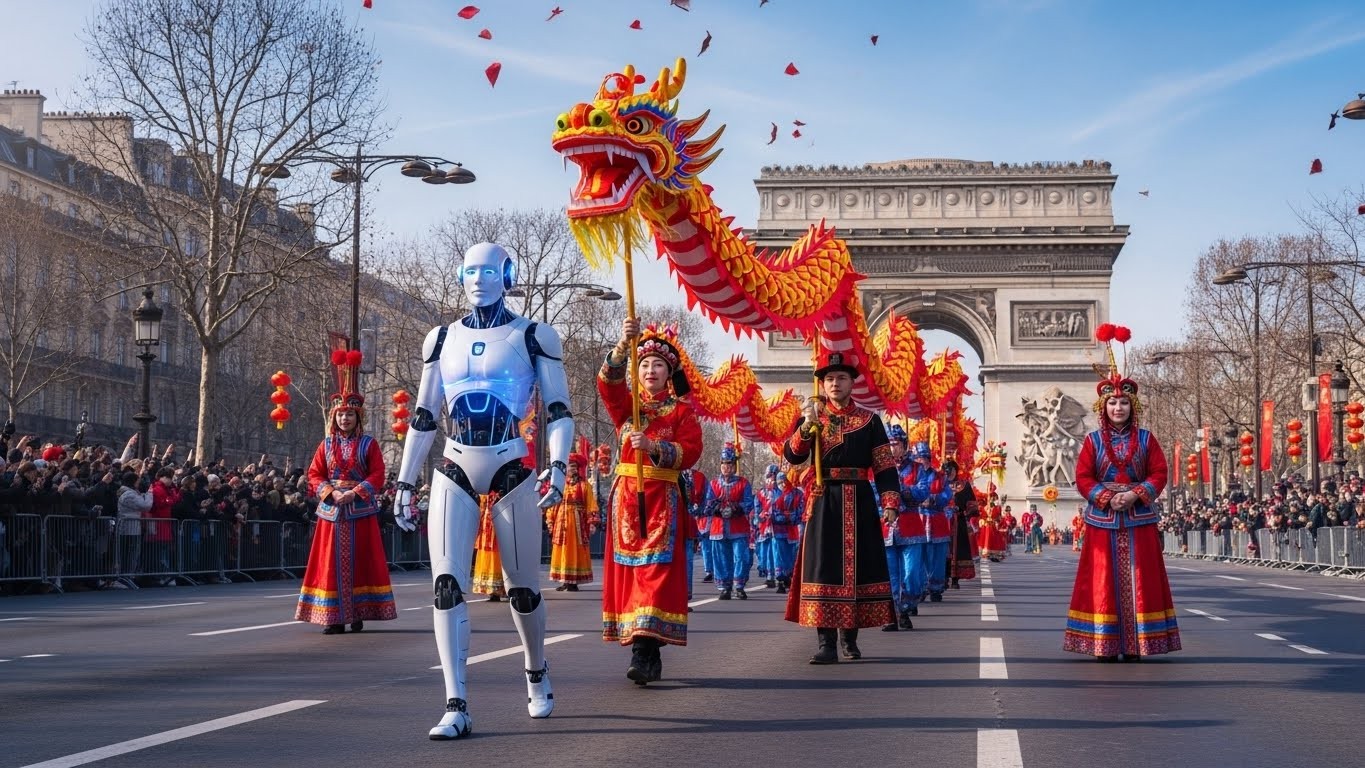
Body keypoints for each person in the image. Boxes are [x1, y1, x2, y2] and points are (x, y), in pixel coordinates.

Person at [392, 242, 574, 737]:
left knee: (522, 589)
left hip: (510, 460)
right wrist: (405, 480)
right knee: (445, 584)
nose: (478, 280)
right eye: (470, 271)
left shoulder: (533, 335)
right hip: (454, 460)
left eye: (489, 271)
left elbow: (558, 409)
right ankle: (456, 704)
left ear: (506, 276)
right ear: (460, 275)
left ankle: (535, 671)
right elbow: (424, 415)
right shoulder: (440, 339)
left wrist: (558, 466)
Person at [1063, 324, 1179, 661]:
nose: (1118, 408)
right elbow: (1083, 476)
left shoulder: (1146, 439)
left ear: (1133, 406)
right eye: (1112, 402)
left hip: (1138, 518)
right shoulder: (1092, 442)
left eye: (1123, 402)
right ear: (1104, 407)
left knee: (1141, 579)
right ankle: (1104, 643)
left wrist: (1136, 493)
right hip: (1103, 520)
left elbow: (1160, 472)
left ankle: (1139, 643)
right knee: (1102, 580)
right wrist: (1106, 496)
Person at [598, 318, 704, 685]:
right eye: (644, 364)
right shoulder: (628, 407)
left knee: (654, 574)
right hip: (627, 499)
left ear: (669, 373)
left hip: (663, 502)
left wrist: (655, 446)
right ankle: (646, 650)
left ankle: (643, 651)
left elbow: (691, 451)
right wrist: (621, 345)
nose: (650, 370)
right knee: (632, 575)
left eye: (658, 364)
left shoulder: (681, 412)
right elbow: (607, 386)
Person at [783, 351, 899, 664]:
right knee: (823, 567)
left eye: (842, 378)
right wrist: (805, 428)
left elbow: (884, 465)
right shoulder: (812, 418)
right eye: (830, 379)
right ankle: (825, 642)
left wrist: (890, 501)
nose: (835, 383)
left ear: (852, 383)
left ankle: (850, 638)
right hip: (823, 500)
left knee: (859, 567)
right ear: (822, 384)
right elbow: (793, 456)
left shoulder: (870, 420)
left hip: (860, 499)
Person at [295, 357, 397, 635]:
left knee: (360, 562)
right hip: (332, 512)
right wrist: (330, 492)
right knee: (330, 563)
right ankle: (334, 617)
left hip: (359, 511)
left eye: (350, 414)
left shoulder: (369, 444)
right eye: (340, 414)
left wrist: (354, 492)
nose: (345, 419)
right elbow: (315, 473)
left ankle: (358, 611)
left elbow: (377, 474)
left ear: (358, 417)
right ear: (334, 417)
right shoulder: (326, 444)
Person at [882, 424, 924, 631]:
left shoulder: (917, 469)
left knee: (912, 573)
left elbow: (922, 491)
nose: (893, 448)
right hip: (886, 528)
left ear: (905, 445)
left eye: (896, 444)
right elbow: (873, 491)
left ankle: (906, 606)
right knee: (890, 575)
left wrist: (903, 490)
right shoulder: (880, 469)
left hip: (911, 527)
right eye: (889, 444)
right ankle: (894, 614)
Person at [705, 443, 756, 600]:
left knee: (741, 556)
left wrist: (736, 508)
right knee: (721, 558)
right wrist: (717, 507)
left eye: (729, 464)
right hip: (718, 527)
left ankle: (739, 585)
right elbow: (707, 504)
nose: (726, 467)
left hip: (738, 527)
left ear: (734, 466)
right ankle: (725, 587)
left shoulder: (743, 483)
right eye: (724, 464)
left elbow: (749, 503)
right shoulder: (713, 484)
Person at [546, 452, 598, 591]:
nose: (572, 469)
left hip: (577, 524)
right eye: (570, 466)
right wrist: (550, 519)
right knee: (562, 549)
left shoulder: (584, 486)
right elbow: (553, 504)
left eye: (575, 466)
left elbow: (591, 504)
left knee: (575, 550)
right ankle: (564, 579)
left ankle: (573, 581)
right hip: (561, 522)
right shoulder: (560, 485)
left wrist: (592, 522)